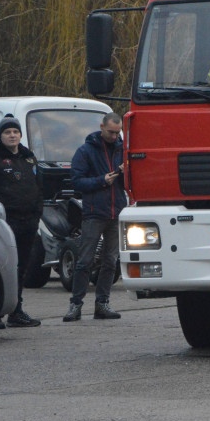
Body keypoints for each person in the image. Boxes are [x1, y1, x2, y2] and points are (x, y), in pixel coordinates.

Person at [0, 114, 43, 328]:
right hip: (6, 223)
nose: (12, 135)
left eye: (15, 131)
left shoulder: (28, 157)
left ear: (20, 135)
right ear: (0, 136)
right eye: (7, 132)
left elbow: (38, 187)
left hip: (29, 222)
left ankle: (16, 311)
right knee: (2, 267)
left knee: (21, 268)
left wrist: (37, 214)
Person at [64, 113, 126, 322]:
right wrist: (102, 180)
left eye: (117, 133)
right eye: (111, 132)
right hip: (94, 212)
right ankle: (76, 304)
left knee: (110, 261)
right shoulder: (85, 151)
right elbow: (76, 181)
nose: (114, 136)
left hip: (115, 212)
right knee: (85, 261)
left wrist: (125, 174)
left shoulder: (122, 149)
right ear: (102, 127)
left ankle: (102, 303)